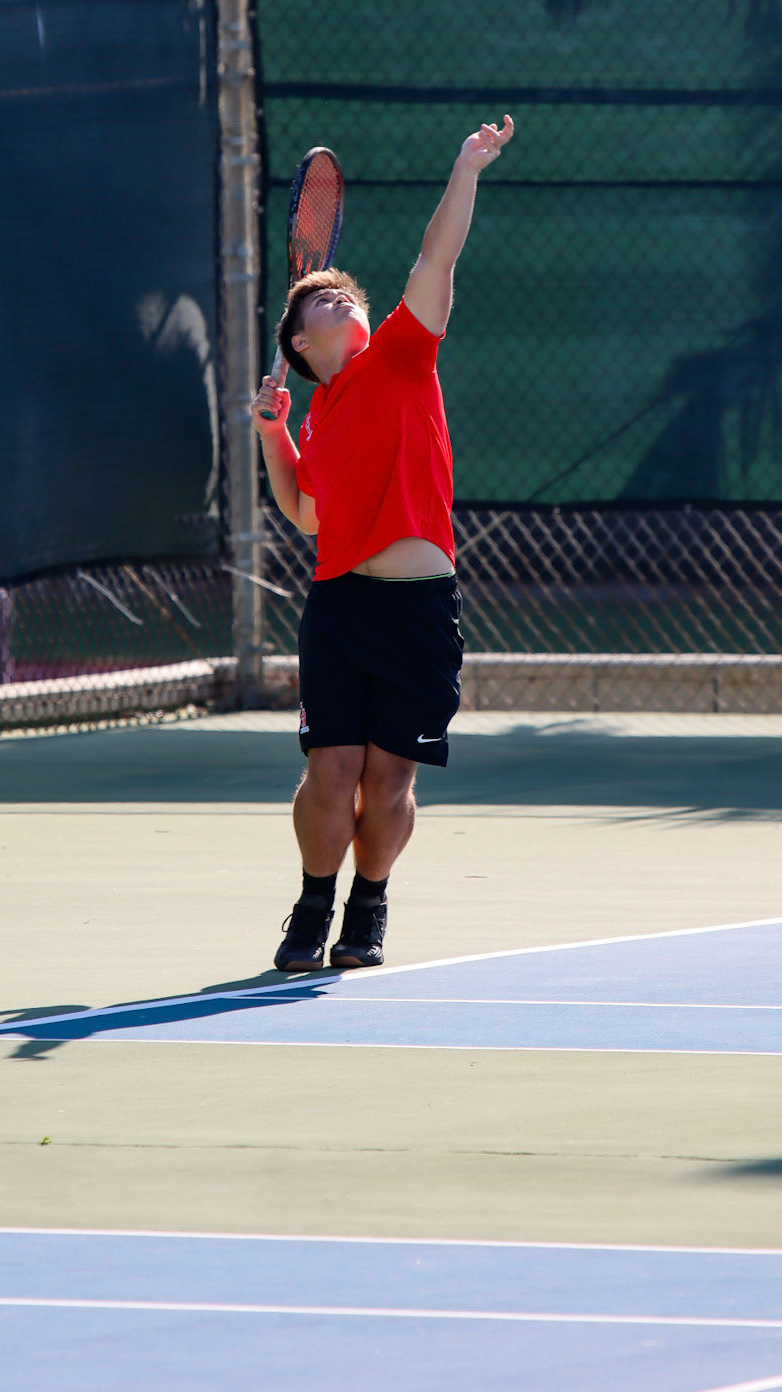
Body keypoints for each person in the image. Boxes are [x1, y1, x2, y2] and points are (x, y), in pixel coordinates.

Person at [251, 115, 515, 972]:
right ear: (300, 344)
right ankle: (311, 904)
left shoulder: (402, 354)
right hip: (340, 607)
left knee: (389, 781)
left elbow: (436, 258)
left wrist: (465, 168)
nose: (342, 297)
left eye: (346, 294)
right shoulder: (317, 417)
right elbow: (305, 514)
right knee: (329, 769)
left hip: (418, 608)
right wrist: (273, 434)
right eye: (320, 300)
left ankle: (367, 904)